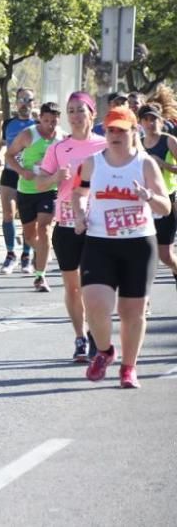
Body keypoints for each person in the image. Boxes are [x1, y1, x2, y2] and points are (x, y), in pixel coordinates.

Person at [72, 106, 171, 389]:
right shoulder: (93, 163)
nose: (114, 134)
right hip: (100, 242)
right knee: (94, 304)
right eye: (110, 129)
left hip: (138, 243)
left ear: (133, 132)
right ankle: (104, 351)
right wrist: (79, 214)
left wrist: (148, 196)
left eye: (120, 130)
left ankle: (129, 368)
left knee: (132, 311)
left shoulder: (145, 164)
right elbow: (79, 193)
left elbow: (165, 207)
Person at [34, 92, 105, 361]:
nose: (75, 116)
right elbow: (39, 184)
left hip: (97, 225)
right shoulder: (58, 148)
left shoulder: (104, 145)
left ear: (92, 114)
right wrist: (54, 177)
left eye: (80, 110)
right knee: (72, 286)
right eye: (71, 111)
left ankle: (97, 334)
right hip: (65, 224)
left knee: (94, 287)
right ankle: (80, 337)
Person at [6, 102, 66, 292]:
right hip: (27, 190)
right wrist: (22, 171)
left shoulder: (63, 138)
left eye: (54, 121)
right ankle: (40, 251)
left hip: (49, 189)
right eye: (46, 120)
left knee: (45, 228)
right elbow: (9, 156)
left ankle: (40, 276)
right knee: (30, 235)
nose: (50, 125)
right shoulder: (28, 135)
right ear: (40, 118)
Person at [0, 88, 36, 274]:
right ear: (16, 102)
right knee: (8, 214)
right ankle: (11, 254)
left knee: (27, 217)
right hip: (10, 173)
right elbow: (3, 143)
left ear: (34, 102)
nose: (24, 103)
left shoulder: (39, 124)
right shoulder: (9, 123)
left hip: (30, 174)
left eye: (28, 99)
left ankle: (26, 255)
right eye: (21, 99)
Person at [138, 103, 177, 292]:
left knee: (165, 255)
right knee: (144, 252)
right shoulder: (137, 144)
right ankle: (143, 299)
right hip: (145, 203)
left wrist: (162, 163)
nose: (150, 123)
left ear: (160, 121)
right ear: (140, 123)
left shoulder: (169, 141)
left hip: (167, 201)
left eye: (153, 119)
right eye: (146, 119)